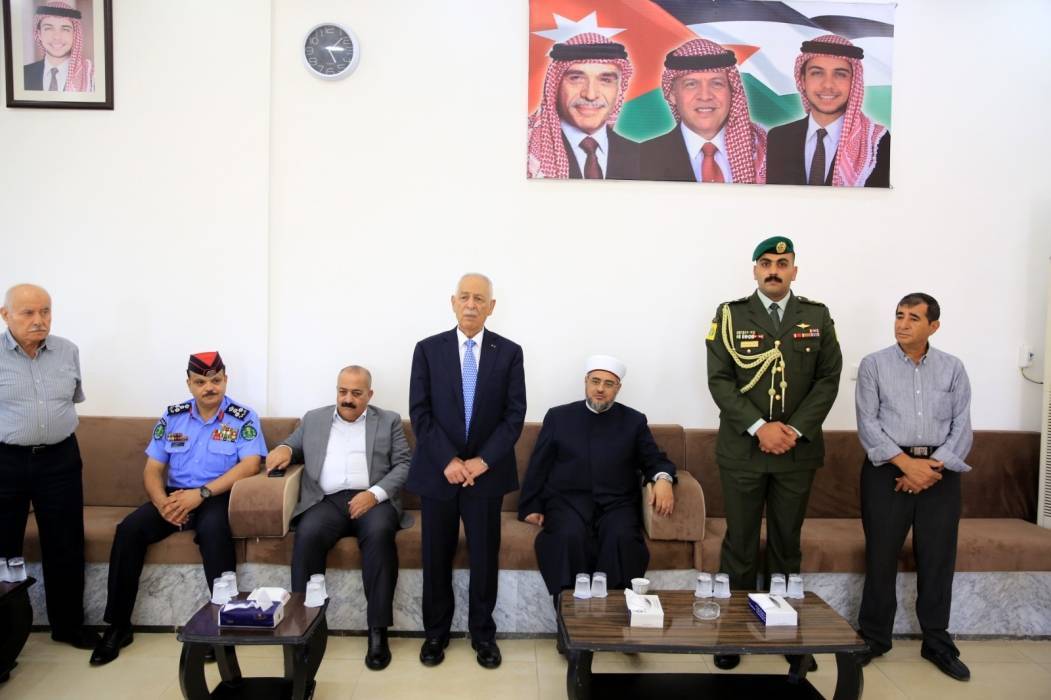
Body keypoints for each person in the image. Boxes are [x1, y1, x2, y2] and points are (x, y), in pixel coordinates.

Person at [705, 236, 842, 670]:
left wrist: (793, 430)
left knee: (787, 544)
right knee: (740, 544)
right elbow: (719, 380)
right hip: (743, 451)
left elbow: (828, 379)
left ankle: (785, 632)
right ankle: (733, 633)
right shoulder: (730, 316)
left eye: (782, 263)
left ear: (794, 271)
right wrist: (760, 427)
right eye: (765, 263)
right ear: (755, 271)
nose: (773, 270)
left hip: (795, 452)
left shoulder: (816, 316)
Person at [90, 352, 266, 666]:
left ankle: (223, 625)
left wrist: (201, 494)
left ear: (225, 380)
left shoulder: (242, 417)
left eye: (216, 380)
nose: (209, 387)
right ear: (189, 384)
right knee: (129, 530)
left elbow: (251, 465)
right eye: (200, 382)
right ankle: (118, 625)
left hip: (216, 495)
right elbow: (152, 470)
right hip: (174, 495)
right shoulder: (173, 417)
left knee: (213, 532)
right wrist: (163, 504)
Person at [406, 273, 526, 669]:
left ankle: (483, 635)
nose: (471, 304)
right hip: (438, 472)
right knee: (435, 556)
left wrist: (482, 461)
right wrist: (448, 460)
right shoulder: (428, 350)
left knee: (484, 558)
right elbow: (420, 412)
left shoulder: (509, 353)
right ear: (453, 302)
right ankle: (435, 634)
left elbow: (514, 415)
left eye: (479, 299)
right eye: (464, 297)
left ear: (491, 306)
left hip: (486, 475)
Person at [855, 293, 972, 681]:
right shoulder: (874, 365)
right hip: (887, 470)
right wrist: (907, 465)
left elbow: (962, 426)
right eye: (899, 315)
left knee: (938, 559)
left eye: (913, 318)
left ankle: (937, 642)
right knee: (881, 556)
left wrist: (931, 468)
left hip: (940, 472)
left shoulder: (953, 368)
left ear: (933, 326)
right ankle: (873, 638)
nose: (902, 324)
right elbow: (868, 424)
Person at [265, 365, 411, 671]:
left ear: (369, 394)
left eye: (356, 393)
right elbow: (293, 444)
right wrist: (284, 449)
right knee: (307, 535)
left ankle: (377, 631)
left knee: (380, 535)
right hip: (326, 500)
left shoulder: (389, 421)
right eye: (342, 391)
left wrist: (374, 494)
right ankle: (305, 626)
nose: (348, 399)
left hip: (372, 500)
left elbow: (403, 464)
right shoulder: (314, 418)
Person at [519, 355, 675, 607]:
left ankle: (614, 615)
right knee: (567, 536)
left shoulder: (634, 421)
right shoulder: (559, 417)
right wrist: (531, 505)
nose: (600, 388)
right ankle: (570, 617)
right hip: (567, 502)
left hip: (617, 504)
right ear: (586, 382)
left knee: (622, 538)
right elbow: (539, 465)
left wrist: (663, 480)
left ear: (618, 388)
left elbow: (654, 460)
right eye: (595, 381)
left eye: (608, 383)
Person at [0, 283, 97, 650]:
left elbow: (71, 399)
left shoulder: (67, 351)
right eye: (28, 313)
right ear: (5, 315)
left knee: (65, 543)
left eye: (45, 311)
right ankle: (5, 636)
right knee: (4, 547)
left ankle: (68, 626)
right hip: (6, 460)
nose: (39, 320)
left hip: (60, 459)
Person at [766, 35, 890, 187]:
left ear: (853, 82)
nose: (828, 85)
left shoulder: (876, 143)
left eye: (840, 74)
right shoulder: (777, 138)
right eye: (817, 73)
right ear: (803, 80)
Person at [641, 37, 766, 183]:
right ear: (672, 95)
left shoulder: (764, 150)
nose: (705, 96)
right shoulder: (642, 157)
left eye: (717, 83)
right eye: (691, 84)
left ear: (732, 91)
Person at [527, 33, 639, 180]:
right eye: (576, 78)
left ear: (619, 89)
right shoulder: (525, 148)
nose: (590, 95)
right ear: (555, 86)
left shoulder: (642, 156)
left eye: (605, 80)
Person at [22, 1, 95, 93]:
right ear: (39, 34)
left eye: (65, 29)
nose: (57, 37)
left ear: (74, 35)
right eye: (48, 28)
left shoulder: (90, 77)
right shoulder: (22, 74)